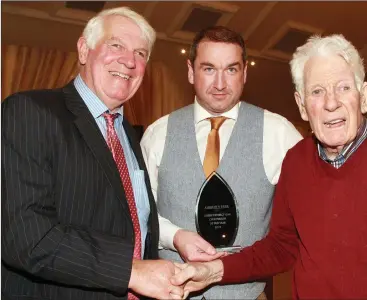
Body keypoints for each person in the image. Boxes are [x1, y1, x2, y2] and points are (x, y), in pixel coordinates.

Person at [1, 7, 184, 300]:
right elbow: (25, 235)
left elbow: (131, 221)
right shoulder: (30, 113)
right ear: (84, 50)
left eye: (141, 54)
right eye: (116, 45)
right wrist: (131, 271)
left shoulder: (129, 135)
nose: (129, 61)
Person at [171, 34, 367, 299]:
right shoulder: (296, 160)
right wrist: (213, 271)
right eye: (317, 92)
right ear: (302, 106)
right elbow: (282, 247)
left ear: (363, 96)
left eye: (344, 87)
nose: (331, 103)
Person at [140, 26, 303, 299]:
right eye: (208, 69)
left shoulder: (279, 132)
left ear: (244, 74)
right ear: (191, 71)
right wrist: (174, 236)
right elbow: (140, 211)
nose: (219, 84)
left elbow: (310, 210)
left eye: (231, 69)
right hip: (171, 293)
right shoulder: (158, 133)